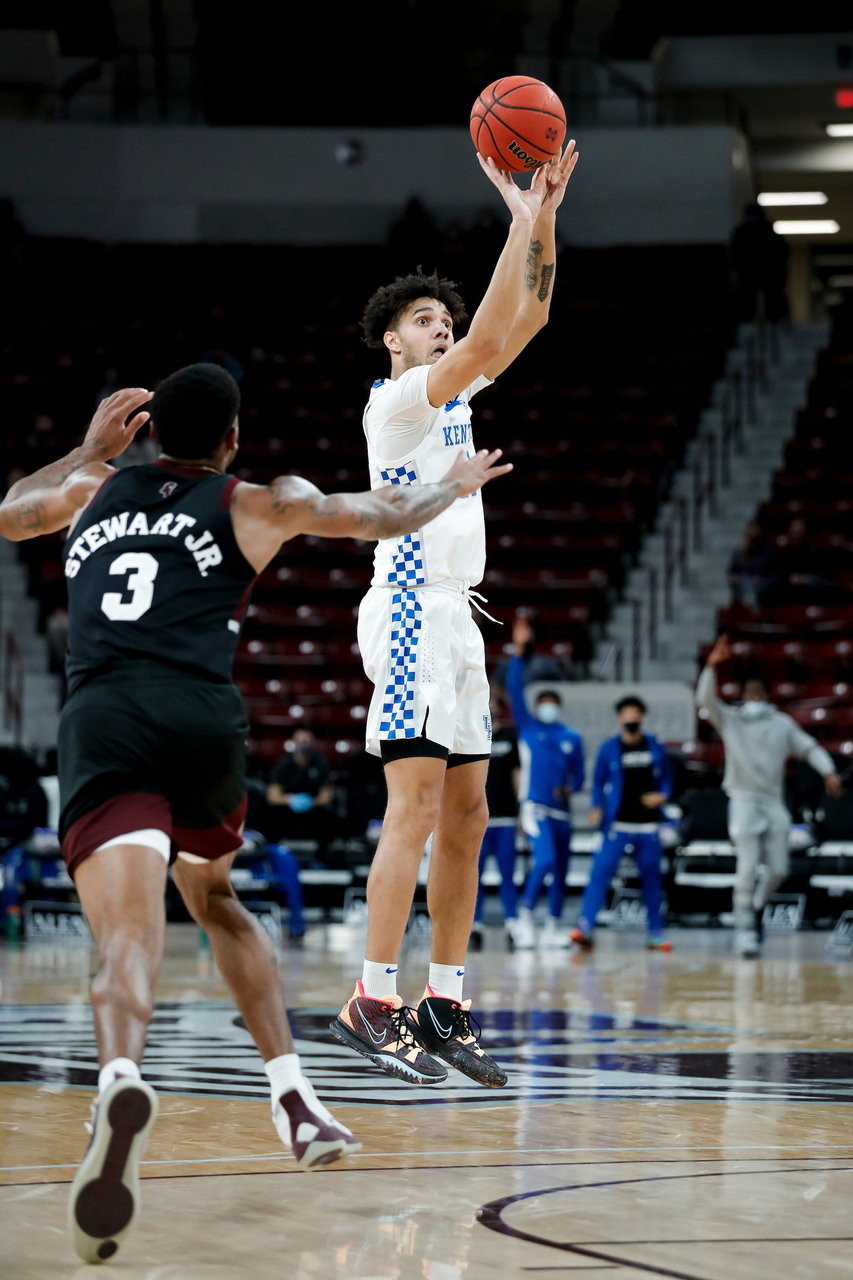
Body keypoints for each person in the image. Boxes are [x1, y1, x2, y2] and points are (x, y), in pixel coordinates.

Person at [0, 366, 506, 1263]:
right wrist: (452, 485)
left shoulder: (89, 490)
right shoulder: (259, 500)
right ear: (231, 438)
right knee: (216, 899)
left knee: (123, 938)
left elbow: (10, 510)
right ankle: (293, 1099)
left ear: (148, 435)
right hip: (201, 721)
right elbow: (376, 517)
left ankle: (121, 1077)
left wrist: (89, 447)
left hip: (106, 718)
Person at [332, 140, 579, 1089]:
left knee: (470, 817)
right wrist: (515, 215)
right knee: (417, 805)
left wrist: (545, 214)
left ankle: (442, 1000)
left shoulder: (457, 396)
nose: (444, 329)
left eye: (444, 318)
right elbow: (484, 339)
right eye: (425, 320)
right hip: (404, 612)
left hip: (458, 618)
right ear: (393, 340)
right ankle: (371, 994)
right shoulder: (396, 403)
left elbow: (530, 316)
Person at [697, 633, 842, 957]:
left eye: (759, 692)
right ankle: (743, 929)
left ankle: (757, 908)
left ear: (768, 695)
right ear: (742, 696)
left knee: (778, 869)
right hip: (743, 799)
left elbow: (809, 747)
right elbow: (705, 701)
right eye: (749, 692)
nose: (754, 696)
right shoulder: (731, 720)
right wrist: (710, 668)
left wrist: (828, 770)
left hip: (773, 801)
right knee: (747, 866)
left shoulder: (782, 723)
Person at [507, 616, 584, 949]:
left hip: (562, 812)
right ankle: (524, 916)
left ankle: (552, 925)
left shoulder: (572, 737)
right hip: (534, 807)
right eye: (544, 704)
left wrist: (572, 787)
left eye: (553, 704)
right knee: (545, 860)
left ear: (559, 707)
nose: (549, 708)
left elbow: (579, 776)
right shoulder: (528, 728)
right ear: (538, 708)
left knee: (562, 871)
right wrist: (518, 652)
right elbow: (513, 689)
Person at [572, 695, 672, 952]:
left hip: (648, 826)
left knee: (651, 880)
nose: (630, 719)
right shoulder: (609, 748)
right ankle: (586, 928)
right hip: (617, 826)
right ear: (619, 719)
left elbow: (667, 780)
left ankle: (656, 933)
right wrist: (596, 806)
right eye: (625, 714)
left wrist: (662, 796)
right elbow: (597, 781)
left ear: (642, 717)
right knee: (599, 873)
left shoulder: (654, 746)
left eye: (634, 714)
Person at [470, 688, 520, 950]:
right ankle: (473, 925)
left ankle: (513, 924)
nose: (490, 705)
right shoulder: (471, 736)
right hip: (477, 820)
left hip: (506, 819)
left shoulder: (510, 738)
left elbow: (517, 774)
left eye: (493, 701)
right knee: (473, 875)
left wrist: (521, 809)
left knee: (507, 875)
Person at [266, 728, 335, 857]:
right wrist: (290, 800)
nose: (305, 745)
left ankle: (322, 859)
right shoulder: (284, 763)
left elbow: (327, 795)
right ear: (294, 742)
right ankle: (273, 856)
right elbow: (273, 795)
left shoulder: (320, 762)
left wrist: (312, 802)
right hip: (288, 810)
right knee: (271, 815)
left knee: (327, 816)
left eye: (308, 742)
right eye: (301, 741)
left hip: (312, 809)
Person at [728, 520, 773, 608]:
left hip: (762, 588)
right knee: (745, 579)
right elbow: (731, 577)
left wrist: (761, 580)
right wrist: (746, 580)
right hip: (743, 589)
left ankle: (751, 601)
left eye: (756, 530)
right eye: (751, 530)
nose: (754, 534)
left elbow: (774, 575)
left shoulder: (768, 552)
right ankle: (751, 600)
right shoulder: (739, 553)